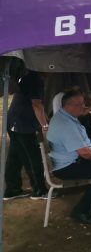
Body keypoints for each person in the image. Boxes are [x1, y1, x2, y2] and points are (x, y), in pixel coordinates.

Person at [47, 90, 91, 224]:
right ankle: (80, 211)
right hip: (66, 167)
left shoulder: (64, 116)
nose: (83, 107)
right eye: (79, 104)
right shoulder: (65, 124)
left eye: (83, 104)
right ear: (68, 105)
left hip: (68, 160)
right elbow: (83, 152)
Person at [4, 71, 49, 200]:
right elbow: (36, 104)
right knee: (32, 157)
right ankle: (39, 190)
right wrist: (45, 125)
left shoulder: (28, 77)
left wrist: (45, 119)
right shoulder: (35, 79)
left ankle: (12, 190)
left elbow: (38, 105)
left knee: (15, 157)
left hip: (14, 121)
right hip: (22, 124)